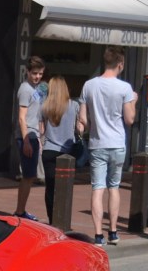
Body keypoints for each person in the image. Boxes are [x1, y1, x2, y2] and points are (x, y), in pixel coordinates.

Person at [78, 48, 136, 247]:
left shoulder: (89, 85)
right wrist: (134, 101)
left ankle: (97, 235)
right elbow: (129, 119)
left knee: (97, 188)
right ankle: (112, 230)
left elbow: (83, 119)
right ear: (120, 64)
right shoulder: (125, 88)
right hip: (117, 143)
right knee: (114, 187)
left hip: (97, 143)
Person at [40, 76, 81, 225]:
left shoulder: (45, 107)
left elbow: (42, 130)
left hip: (49, 151)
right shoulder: (74, 105)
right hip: (67, 153)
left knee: (50, 189)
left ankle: (52, 219)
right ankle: (63, 220)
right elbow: (79, 127)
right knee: (65, 188)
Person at [14, 56, 46, 220]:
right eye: (34, 73)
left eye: (40, 74)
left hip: (34, 135)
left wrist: (39, 137)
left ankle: (21, 210)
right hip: (27, 135)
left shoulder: (38, 88)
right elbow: (22, 117)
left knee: (30, 175)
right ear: (27, 72)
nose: (37, 77)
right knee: (28, 175)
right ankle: (20, 211)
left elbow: (38, 114)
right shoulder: (25, 89)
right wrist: (26, 140)